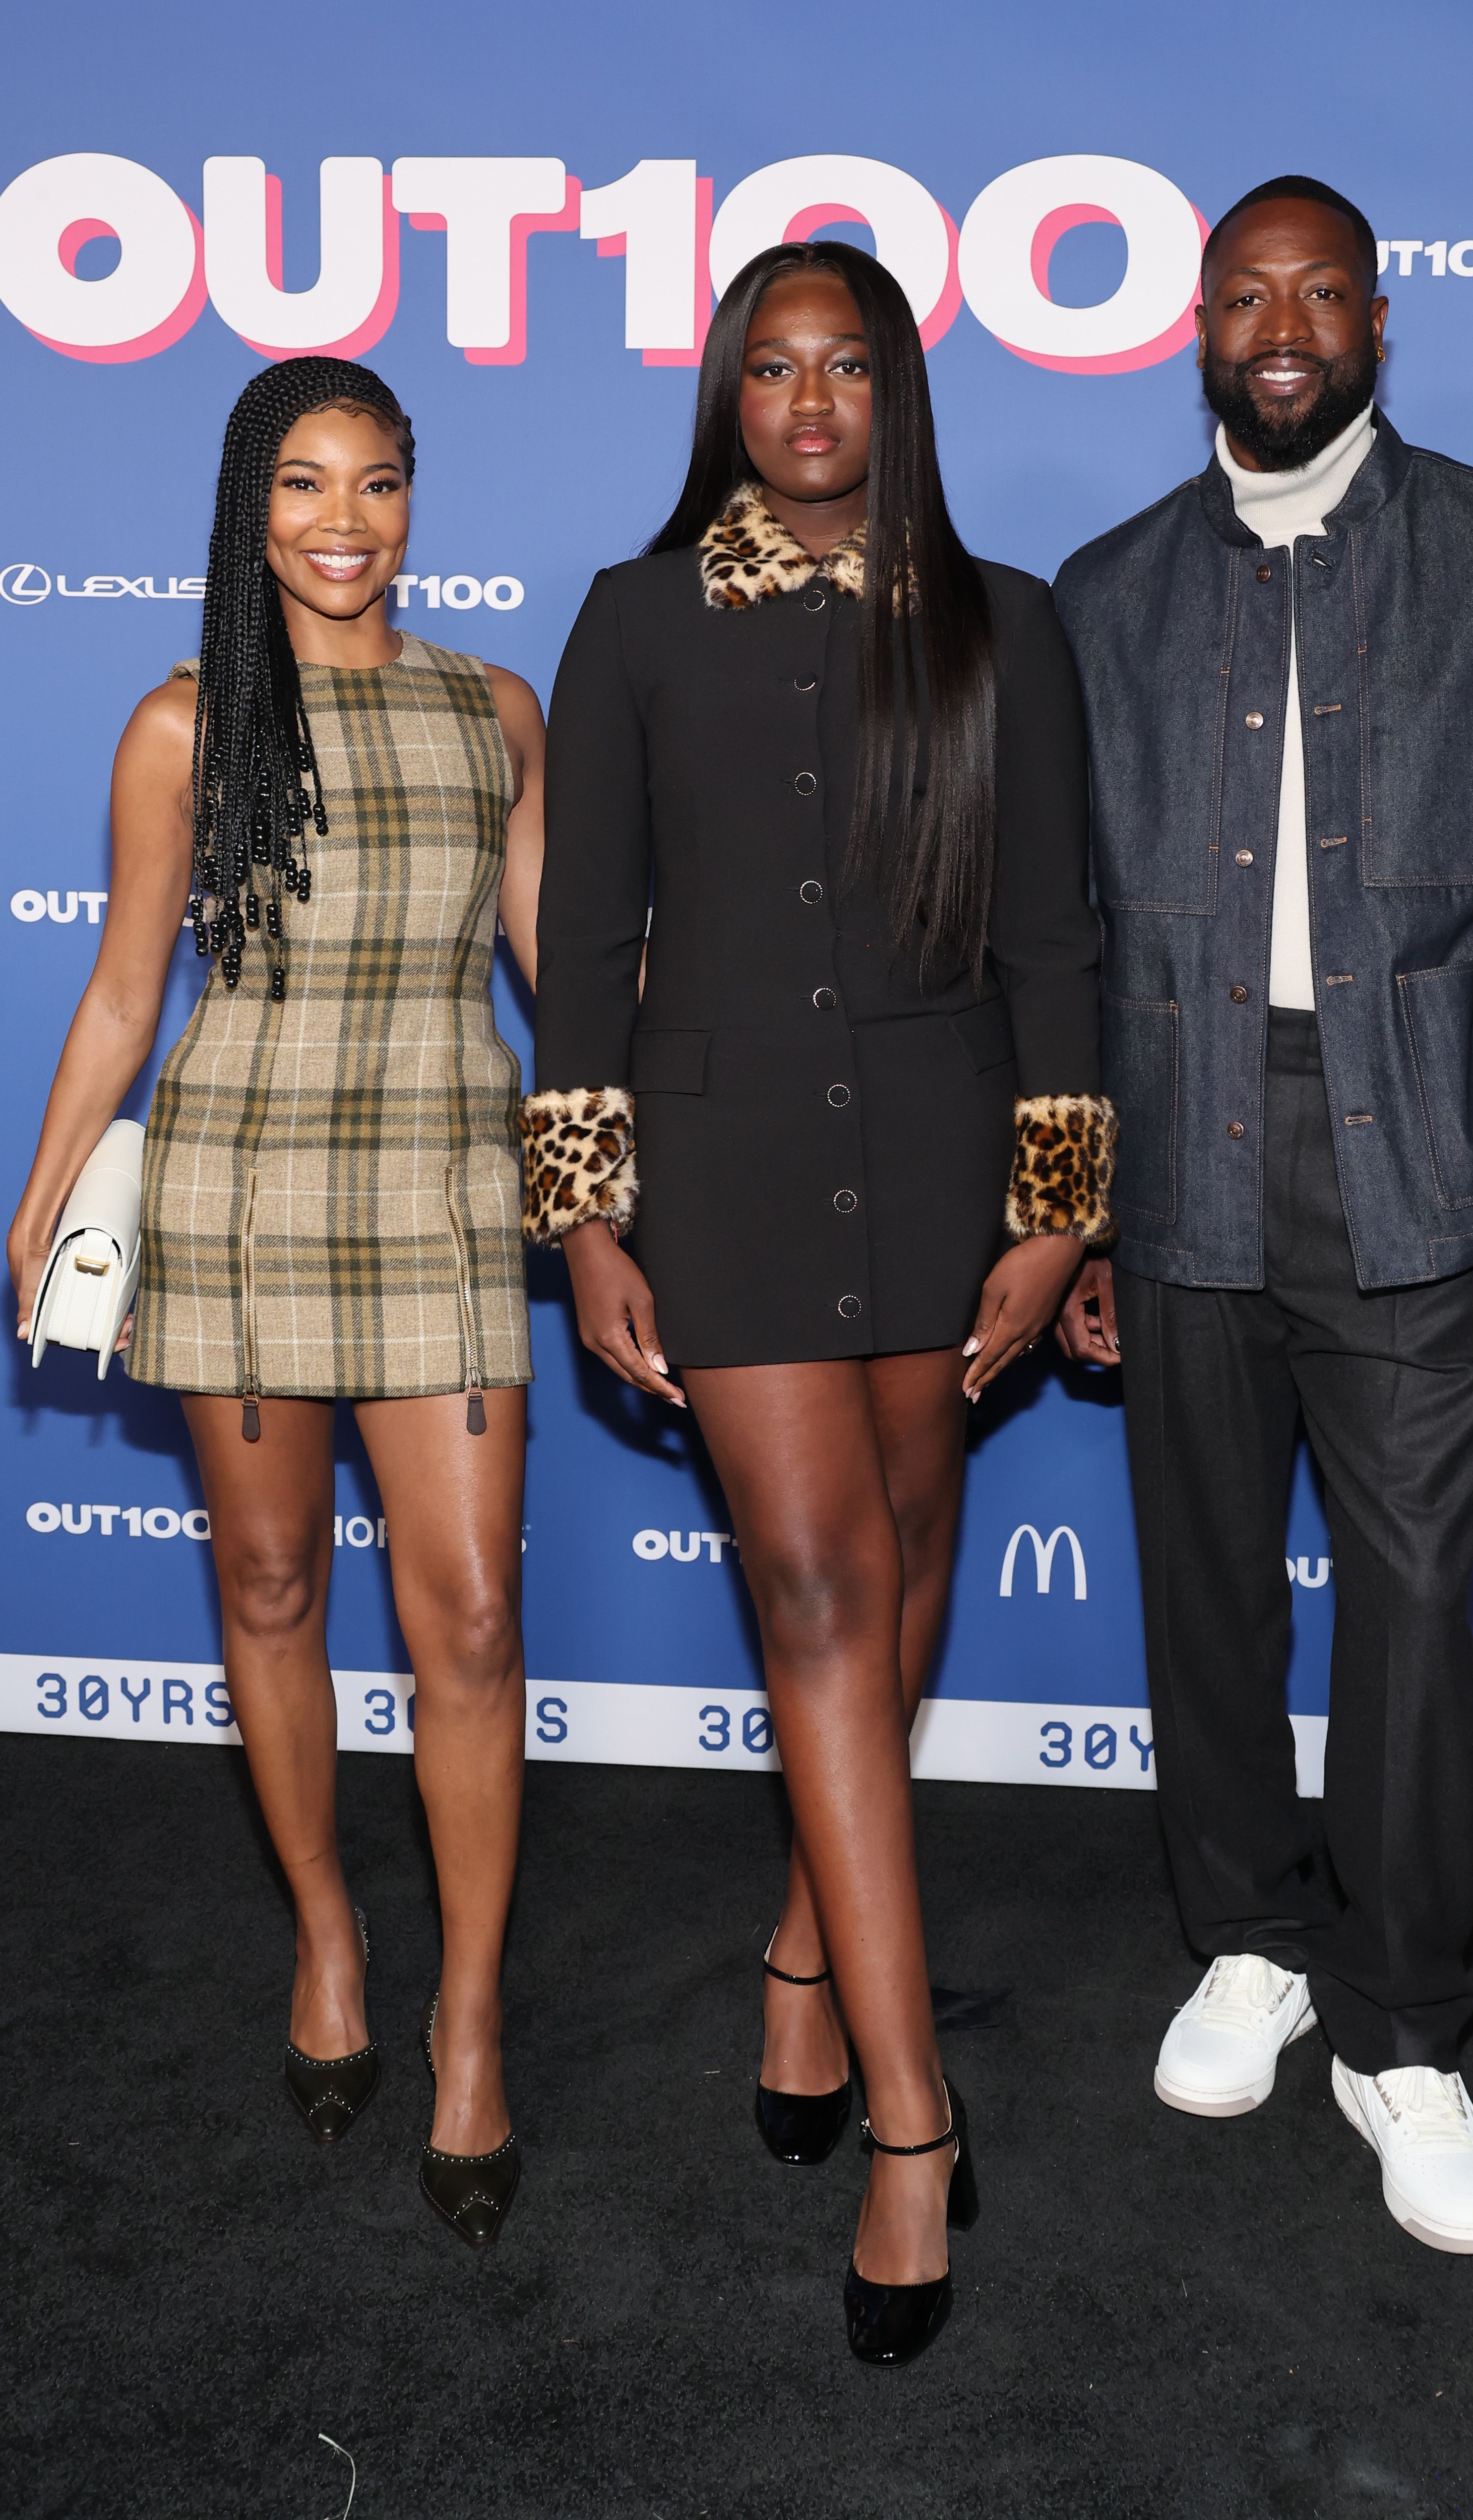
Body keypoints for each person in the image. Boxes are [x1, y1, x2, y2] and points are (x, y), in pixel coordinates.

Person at [1052, 177, 1473, 2254]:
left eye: (1322, 291)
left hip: (1434, 1152)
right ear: (1201, 325)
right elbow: (1052, 931)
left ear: (1382, 323)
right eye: (1249, 293)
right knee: (1205, 1573)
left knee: (1409, 1605)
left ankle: (1404, 2030)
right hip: (1179, 1139)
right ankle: (1250, 1933)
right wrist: (1069, 1199)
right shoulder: (1108, 592)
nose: (1285, 324)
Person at [529, 240, 1110, 2361]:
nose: (804, 399)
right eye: (767, 365)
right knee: (819, 1593)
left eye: (842, 365)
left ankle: (804, 1942)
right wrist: (592, 1221)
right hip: (732, 1176)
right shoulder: (632, 617)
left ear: (894, 395)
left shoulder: (1007, 626)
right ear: (727, 395)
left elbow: (1058, 935)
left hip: (953, 1152)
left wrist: (1057, 1209)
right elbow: (584, 949)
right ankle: (910, 2115)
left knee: (914, 1548)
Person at [7, 358, 548, 2253]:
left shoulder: (496, 710)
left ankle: (468, 2016)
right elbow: (121, 996)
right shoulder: (185, 722)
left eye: (378, 485)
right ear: (255, 510)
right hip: (239, 1182)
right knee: (268, 1591)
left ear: (416, 500)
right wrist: (51, 1183)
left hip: (446, 1183)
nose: (345, 523)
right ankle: (328, 1932)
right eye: (306, 486)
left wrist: (632, 1188)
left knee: (470, 1618)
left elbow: (562, 984)